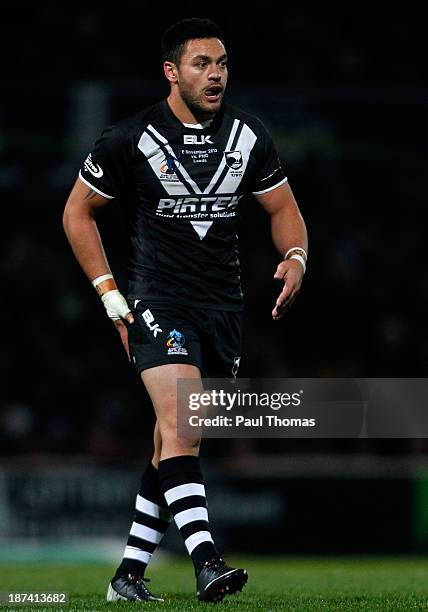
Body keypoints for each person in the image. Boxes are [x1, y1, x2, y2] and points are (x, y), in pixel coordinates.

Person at [63, 17, 308, 604]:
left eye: (222, 63)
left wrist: (296, 255)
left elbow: (283, 210)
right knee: (185, 422)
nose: (216, 74)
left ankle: (127, 576)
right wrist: (110, 294)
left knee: (171, 441)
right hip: (156, 301)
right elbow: (77, 213)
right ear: (172, 72)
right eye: (202, 63)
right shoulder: (129, 137)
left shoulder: (248, 135)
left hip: (222, 309)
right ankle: (207, 562)